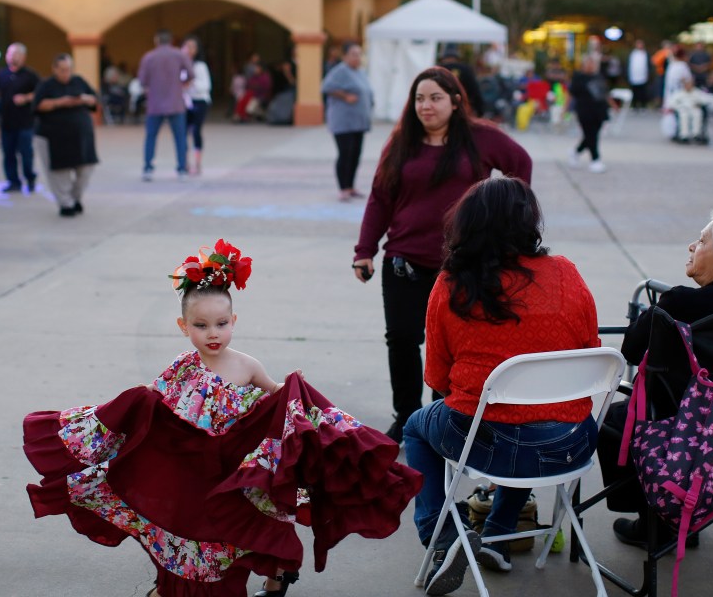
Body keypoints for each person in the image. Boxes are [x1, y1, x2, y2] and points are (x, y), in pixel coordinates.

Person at [22, 239, 423, 597]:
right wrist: (137, 413)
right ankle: (181, 586)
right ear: (184, 327)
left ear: (235, 322)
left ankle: (276, 577)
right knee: (193, 525)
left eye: (221, 323)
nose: (212, 333)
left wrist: (293, 390)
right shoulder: (183, 364)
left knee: (259, 517)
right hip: (193, 468)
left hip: (237, 467)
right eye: (200, 325)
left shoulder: (247, 364)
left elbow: (278, 401)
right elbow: (156, 411)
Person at [404, 177, 600, 595]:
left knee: (417, 427)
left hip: (490, 443)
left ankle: (441, 540)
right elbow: (591, 350)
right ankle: (497, 533)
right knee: (534, 412)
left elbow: (437, 379)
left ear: (468, 224)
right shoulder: (565, 273)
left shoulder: (452, 284)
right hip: (570, 443)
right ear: (529, 223)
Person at [352, 67, 532, 445]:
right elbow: (380, 198)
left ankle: (445, 417)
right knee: (401, 340)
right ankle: (406, 416)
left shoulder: (480, 138)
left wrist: (505, 223)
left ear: (454, 100)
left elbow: (521, 165)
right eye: (419, 98)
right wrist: (364, 251)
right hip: (403, 260)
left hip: (462, 264)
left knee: (452, 348)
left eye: (435, 97)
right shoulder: (401, 141)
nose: (426, 106)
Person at [598, 205, 713, 548]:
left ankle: (661, 522)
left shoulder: (679, 304)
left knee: (615, 419)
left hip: (698, 444)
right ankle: (685, 517)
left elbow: (630, 353)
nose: (691, 247)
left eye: (701, 241)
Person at [33, 54, 99, 217]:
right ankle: (65, 203)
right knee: (59, 173)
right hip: (54, 136)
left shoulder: (79, 81)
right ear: (54, 69)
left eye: (68, 69)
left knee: (86, 169)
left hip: (81, 136)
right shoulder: (46, 85)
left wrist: (84, 99)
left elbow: (94, 100)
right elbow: (38, 106)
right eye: (62, 70)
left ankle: (75, 198)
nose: (65, 73)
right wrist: (60, 102)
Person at [138, 29, 194, 182]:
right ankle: (182, 168)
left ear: (157, 40)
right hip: (175, 102)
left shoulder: (149, 57)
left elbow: (142, 80)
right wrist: (180, 84)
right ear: (171, 40)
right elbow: (191, 73)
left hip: (155, 103)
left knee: (151, 136)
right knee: (180, 137)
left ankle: (148, 167)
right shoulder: (179, 55)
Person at [320, 42, 374, 201]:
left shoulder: (361, 72)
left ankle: (351, 186)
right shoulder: (340, 71)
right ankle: (343, 188)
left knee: (356, 155)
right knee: (345, 154)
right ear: (345, 56)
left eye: (359, 54)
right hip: (343, 122)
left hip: (359, 122)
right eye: (354, 54)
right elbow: (326, 87)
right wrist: (345, 96)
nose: (357, 58)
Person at [0, 42, 40, 193]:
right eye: (10, 53)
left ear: (23, 57)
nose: (12, 57)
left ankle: (30, 178)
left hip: (25, 122)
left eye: (16, 54)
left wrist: (27, 98)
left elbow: (40, 93)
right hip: (6, 122)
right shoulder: (2, 74)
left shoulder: (30, 75)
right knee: (8, 154)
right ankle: (13, 181)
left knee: (26, 154)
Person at [568, 56, 615, 173]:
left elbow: (605, 93)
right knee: (591, 135)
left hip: (599, 111)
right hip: (584, 110)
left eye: (592, 63)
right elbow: (571, 94)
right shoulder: (578, 78)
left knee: (592, 135)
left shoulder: (598, 76)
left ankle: (576, 152)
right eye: (588, 63)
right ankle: (595, 159)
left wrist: (613, 104)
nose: (591, 66)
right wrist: (566, 109)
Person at [182, 36, 211, 175]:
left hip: (199, 101)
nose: (190, 50)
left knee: (196, 131)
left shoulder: (200, 66)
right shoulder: (180, 65)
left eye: (192, 46)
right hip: (184, 101)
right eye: (187, 46)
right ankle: (185, 162)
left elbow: (205, 86)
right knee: (183, 132)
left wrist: (190, 84)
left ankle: (197, 162)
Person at [438, 45, 485, 117]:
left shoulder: (438, 69)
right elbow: (475, 91)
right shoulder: (466, 69)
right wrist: (480, 111)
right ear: (457, 57)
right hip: (463, 110)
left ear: (443, 57)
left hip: (442, 110)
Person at [667, 77, 713, 143]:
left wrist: (699, 104)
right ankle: (684, 135)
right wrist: (679, 107)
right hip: (683, 109)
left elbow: (705, 99)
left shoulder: (697, 92)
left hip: (694, 108)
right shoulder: (679, 93)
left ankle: (696, 134)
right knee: (684, 116)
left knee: (697, 114)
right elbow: (672, 103)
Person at [627, 39, 650, 110]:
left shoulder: (645, 54)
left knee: (643, 91)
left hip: (642, 75)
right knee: (634, 91)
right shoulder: (633, 54)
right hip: (634, 75)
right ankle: (635, 105)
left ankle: (643, 105)